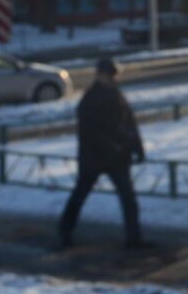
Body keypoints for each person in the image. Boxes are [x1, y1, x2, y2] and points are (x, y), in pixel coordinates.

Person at [57, 56, 146, 249]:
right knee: (80, 195)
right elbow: (90, 132)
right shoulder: (90, 99)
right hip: (94, 159)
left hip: (117, 158)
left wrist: (137, 147)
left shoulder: (117, 95)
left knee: (128, 198)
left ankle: (134, 238)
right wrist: (113, 148)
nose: (112, 79)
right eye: (108, 76)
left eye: (113, 76)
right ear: (99, 76)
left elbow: (129, 123)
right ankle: (64, 232)